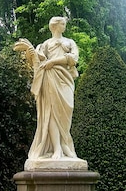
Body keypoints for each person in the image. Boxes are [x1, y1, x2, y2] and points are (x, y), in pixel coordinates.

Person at [14, 17, 80, 160]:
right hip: (50, 78)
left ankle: (66, 146)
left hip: (65, 79)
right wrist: (31, 50)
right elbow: (39, 60)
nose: (64, 26)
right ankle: (57, 148)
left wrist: (53, 61)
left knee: (66, 112)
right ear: (55, 26)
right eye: (62, 24)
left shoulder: (70, 42)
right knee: (50, 112)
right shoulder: (46, 44)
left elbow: (74, 59)